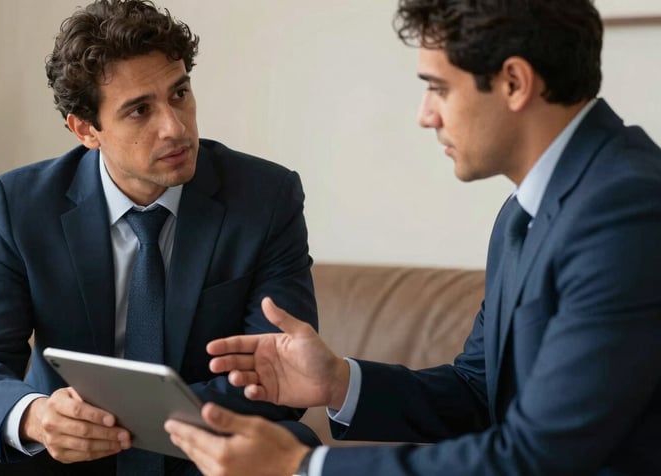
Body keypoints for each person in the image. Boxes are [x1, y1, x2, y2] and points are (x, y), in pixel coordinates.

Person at [164, 0, 661, 474]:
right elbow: (478, 392)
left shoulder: (626, 211)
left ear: (513, 82)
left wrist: (300, 467)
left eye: (438, 88)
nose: (426, 114)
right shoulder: (525, 211)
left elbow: (537, 458)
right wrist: (337, 382)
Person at [0, 1, 320, 475]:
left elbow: (277, 375)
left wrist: (131, 422)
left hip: (198, 453)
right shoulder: (23, 205)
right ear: (86, 129)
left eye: (179, 93)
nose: (175, 127)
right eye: (140, 110)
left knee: (296, 445)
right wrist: (38, 416)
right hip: (65, 453)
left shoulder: (265, 197)